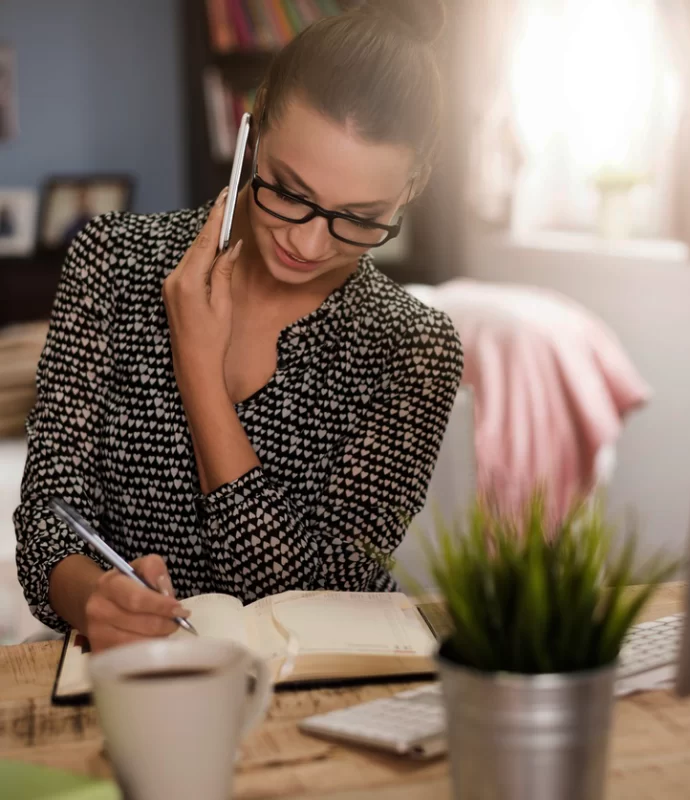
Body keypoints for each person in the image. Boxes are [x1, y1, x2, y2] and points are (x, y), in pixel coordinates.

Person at [14, 0, 463, 652]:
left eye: (361, 217)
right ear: (252, 128)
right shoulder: (111, 260)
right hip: (123, 677)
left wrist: (200, 373)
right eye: (288, 189)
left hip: (309, 705)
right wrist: (93, 600)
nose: (309, 245)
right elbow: (50, 519)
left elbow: (317, 600)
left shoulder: (411, 347)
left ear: (412, 188)